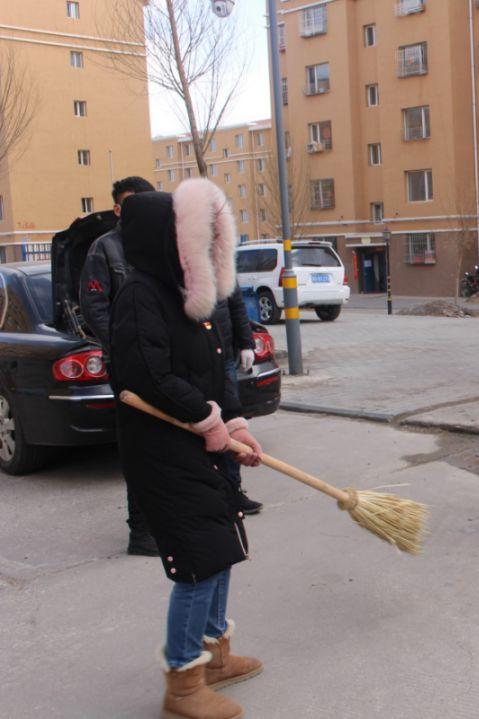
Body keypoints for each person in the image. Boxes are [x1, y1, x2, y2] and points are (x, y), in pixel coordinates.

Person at [109, 179, 263, 719]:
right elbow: (147, 375)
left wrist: (234, 422)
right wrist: (205, 421)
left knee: (222, 547)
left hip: (200, 447)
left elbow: (211, 365)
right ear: (166, 239)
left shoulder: (187, 295)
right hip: (163, 453)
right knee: (198, 562)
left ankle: (215, 653)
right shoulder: (140, 295)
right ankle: (183, 683)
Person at [79, 175, 158, 556]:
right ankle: (140, 531)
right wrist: (127, 347)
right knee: (139, 444)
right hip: (128, 365)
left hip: (161, 363)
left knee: (165, 446)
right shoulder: (105, 249)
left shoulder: (158, 246)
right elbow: (95, 307)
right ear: (117, 208)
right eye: (131, 204)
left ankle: (164, 520)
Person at [212, 287, 263, 515]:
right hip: (195, 355)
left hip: (224, 352)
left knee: (230, 419)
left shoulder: (220, 258)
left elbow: (236, 304)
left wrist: (246, 342)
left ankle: (233, 491)